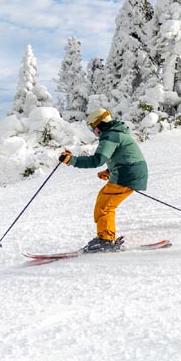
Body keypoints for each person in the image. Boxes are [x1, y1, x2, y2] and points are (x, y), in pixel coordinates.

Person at [58, 108, 148, 253]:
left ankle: (106, 240)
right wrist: (110, 171)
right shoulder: (116, 133)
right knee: (104, 202)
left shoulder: (110, 135)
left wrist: (71, 160)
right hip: (131, 171)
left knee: (104, 206)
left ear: (99, 124)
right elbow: (123, 155)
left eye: (91, 127)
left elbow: (97, 160)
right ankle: (106, 237)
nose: (92, 131)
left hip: (128, 173)